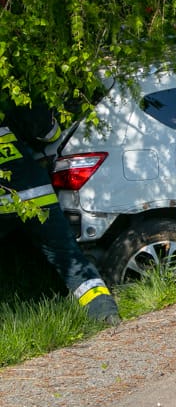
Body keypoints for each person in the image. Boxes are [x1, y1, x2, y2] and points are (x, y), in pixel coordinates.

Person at [0, 98, 120, 324]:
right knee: (69, 256)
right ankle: (105, 314)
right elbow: (50, 133)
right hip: (38, 197)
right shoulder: (7, 104)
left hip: (8, 204)